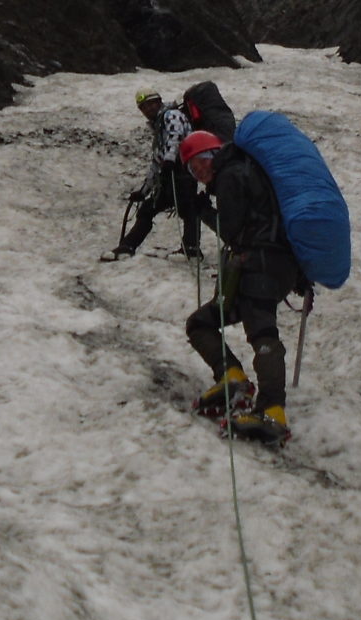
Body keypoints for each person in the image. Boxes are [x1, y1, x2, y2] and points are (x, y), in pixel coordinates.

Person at [179, 128, 305, 444]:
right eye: (193, 171)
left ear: (210, 156)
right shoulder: (242, 171)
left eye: (198, 165)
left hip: (261, 265)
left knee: (261, 331)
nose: (198, 173)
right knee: (202, 322)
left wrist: (203, 211)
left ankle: (272, 410)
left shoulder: (231, 175)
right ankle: (232, 378)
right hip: (268, 266)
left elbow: (232, 230)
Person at [99, 89, 203, 262]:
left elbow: (175, 137)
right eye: (143, 107)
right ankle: (128, 247)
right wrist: (144, 190)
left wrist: (169, 161)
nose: (147, 109)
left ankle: (191, 250)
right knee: (151, 208)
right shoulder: (159, 125)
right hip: (173, 174)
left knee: (187, 208)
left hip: (182, 172)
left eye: (149, 104)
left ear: (159, 102)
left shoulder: (172, 116)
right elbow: (157, 161)